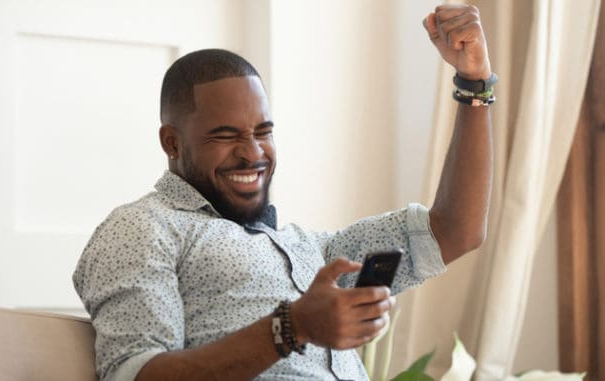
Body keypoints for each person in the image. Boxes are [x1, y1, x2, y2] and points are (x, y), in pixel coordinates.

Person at [73, 4, 494, 381]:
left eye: (263, 132)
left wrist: (474, 84)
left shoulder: (314, 251)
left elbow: (456, 230)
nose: (252, 153)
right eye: (225, 136)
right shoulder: (141, 228)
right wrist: (291, 327)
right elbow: (137, 375)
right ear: (172, 143)